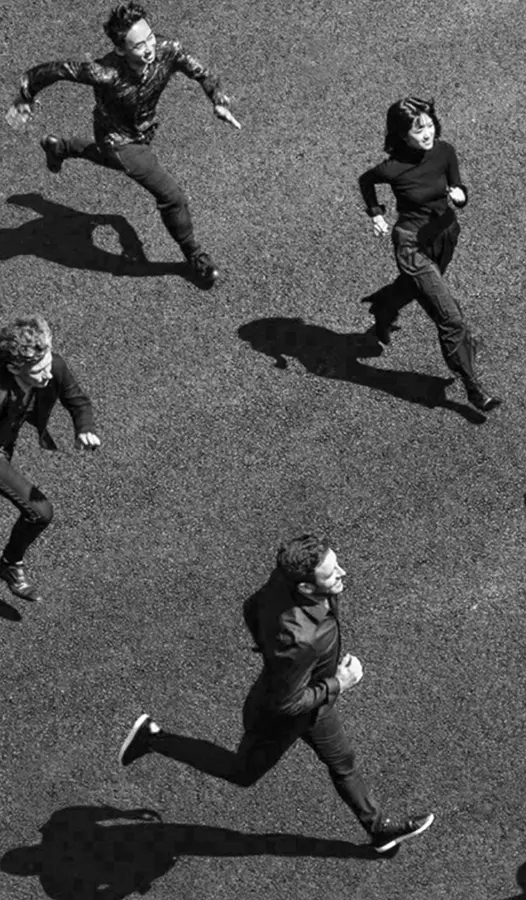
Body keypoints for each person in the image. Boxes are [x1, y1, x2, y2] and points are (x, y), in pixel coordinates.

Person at [116, 535, 435, 853]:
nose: (343, 572)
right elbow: (287, 703)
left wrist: (272, 654)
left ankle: (378, 829)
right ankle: (152, 737)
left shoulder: (285, 578)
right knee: (241, 774)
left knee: (343, 762)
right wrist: (340, 682)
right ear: (306, 589)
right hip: (278, 718)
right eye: (332, 573)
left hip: (313, 702)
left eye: (335, 563)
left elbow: (251, 606)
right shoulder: (300, 640)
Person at [4, 3, 242, 289]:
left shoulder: (169, 50)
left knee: (118, 164)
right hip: (117, 139)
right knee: (171, 195)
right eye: (139, 45)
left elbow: (201, 72)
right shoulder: (103, 73)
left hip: (142, 131)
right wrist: (26, 94)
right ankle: (195, 256)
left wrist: (218, 99)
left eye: (150, 37)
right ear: (120, 50)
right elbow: (56, 70)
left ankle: (63, 148)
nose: (149, 48)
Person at [357, 97, 501, 415]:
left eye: (430, 124)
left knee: (421, 291)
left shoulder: (445, 151)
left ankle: (384, 305)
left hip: (445, 236)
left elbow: (458, 187)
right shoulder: (392, 168)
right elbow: (366, 181)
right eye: (418, 129)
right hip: (412, 248)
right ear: (402, 134)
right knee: (451, 320)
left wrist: (460, 196)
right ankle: (473, 389)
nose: (427, 133)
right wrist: (376, 214)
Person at [0, 316, 99, 604]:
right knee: (40, 512)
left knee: (39, 513)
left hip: (4, 441)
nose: (47, 376)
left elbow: (78, 401)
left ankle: (8, 563)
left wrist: (85, 429)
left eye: (47, 367)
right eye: (38, 372)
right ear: (13, 367)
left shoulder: (51, 364)